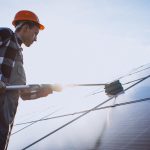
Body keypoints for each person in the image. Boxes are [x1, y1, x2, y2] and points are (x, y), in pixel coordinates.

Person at [0, 10, 53, 150]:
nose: (36, 38)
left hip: (4, 129)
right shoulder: (5, 34)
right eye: (35, 33)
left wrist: (47, 90)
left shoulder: (19, 58)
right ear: (25, 28)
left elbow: (23, 94)